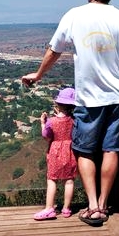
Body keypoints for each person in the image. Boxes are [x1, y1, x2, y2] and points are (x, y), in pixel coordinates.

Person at [22, 0, 119, 226]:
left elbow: (54, 50)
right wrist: (117, 66)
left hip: (89, 99)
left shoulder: (74, 15)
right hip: (117, 96)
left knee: (84, 151)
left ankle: (91, 206)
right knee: (111, 149)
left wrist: (37, 75)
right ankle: (103, 205)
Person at [33, 87, 77, 221]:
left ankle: (49, 209)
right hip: (70, 151)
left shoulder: (51, 121)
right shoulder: (74, 120)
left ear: (57, 105)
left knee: (52, 180)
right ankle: (66, 209)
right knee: (69, 181)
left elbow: (46, 136)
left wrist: (42, 123)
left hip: (55, 152)